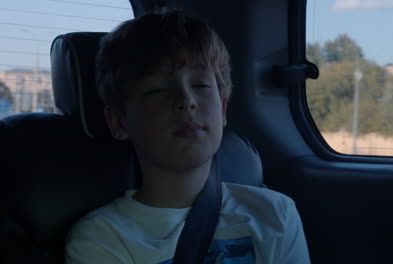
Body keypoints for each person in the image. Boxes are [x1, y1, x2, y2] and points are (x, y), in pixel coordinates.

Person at [65, 9, 310, 264]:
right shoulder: (102, 239)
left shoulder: (275, 213)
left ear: (223, 108)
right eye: (157, 90)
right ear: (118, 121)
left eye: (201, 85)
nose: (186, 101)